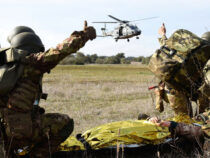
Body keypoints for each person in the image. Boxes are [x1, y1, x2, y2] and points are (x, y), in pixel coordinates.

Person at [0, 21, 96, 158]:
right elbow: (60, 51)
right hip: (22, 130)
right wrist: (83, 36)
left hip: (3, 134)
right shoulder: (31, 63)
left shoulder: (5, 69)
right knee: (65, 123)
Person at [151, 23, 210, 116]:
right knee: (202, 121)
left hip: (172, 87)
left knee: (183, 122)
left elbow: (168, 47)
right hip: (194, 91)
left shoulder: (188, 50)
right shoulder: (206, 56)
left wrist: (163, 34)